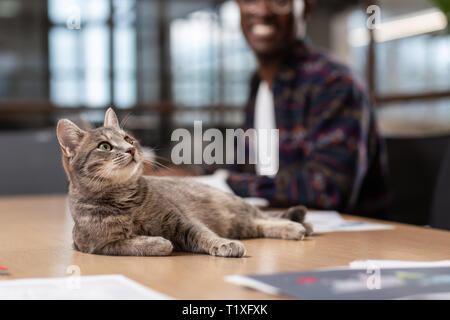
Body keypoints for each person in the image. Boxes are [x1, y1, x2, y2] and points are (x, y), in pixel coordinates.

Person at [217, 0, 391, 218]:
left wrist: (223, 183)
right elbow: (240, 166)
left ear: (306, 7)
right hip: (280, 232)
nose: (262, 11)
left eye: (279, 1)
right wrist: (191, 178)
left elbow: (327, 189)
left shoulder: (334, 82)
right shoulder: (259, 84)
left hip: (347, 243)